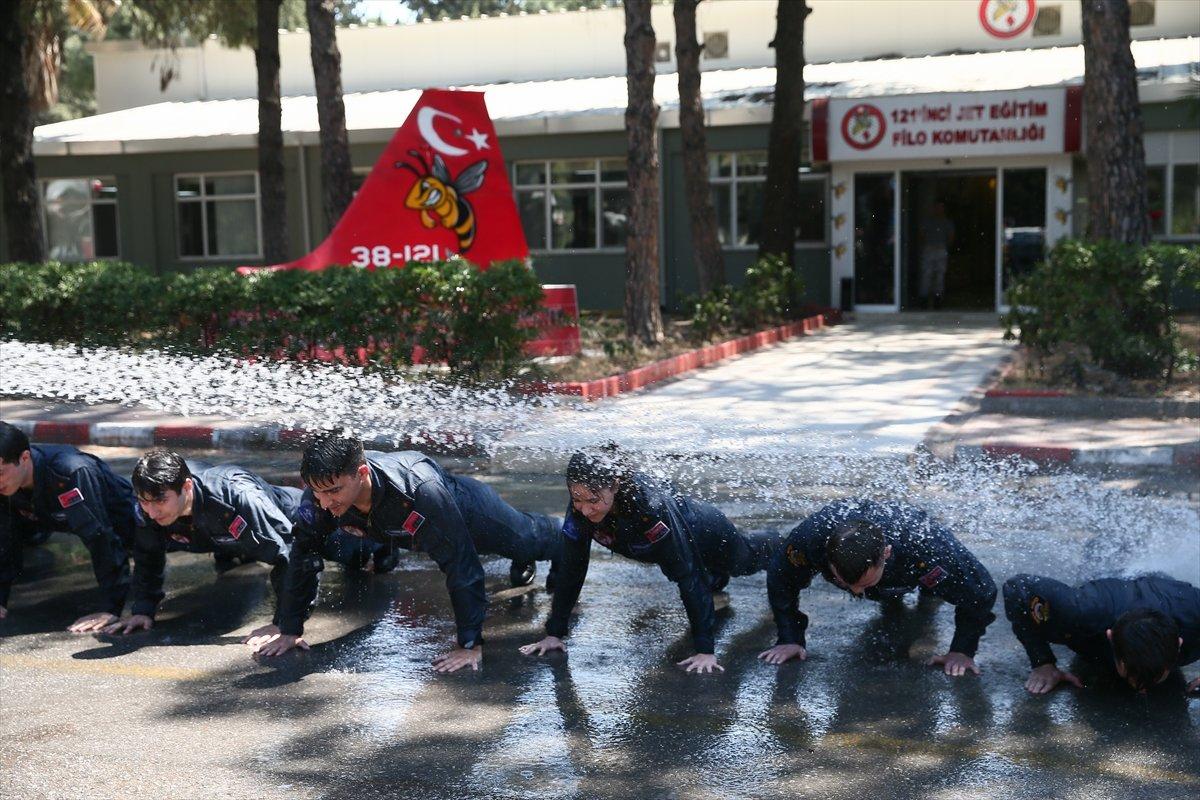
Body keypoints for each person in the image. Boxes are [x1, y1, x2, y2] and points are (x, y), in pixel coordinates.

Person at [258, 435, 562, 672]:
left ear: (361, 473)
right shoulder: (323, 495)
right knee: (313, 537)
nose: (323, 503)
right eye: (316, 491)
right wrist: (289, 628)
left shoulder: (419, 489)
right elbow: (302, 553)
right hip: (408, 531)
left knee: (526, 540)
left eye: (333, 491)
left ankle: (565, 535)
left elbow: (460, 564)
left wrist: (469, 644)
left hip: (471, 514)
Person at [520, 445, 779, 674]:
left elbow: (688, 574)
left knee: (744, 562)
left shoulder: (649, 508)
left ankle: (778, 543)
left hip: (707, 532)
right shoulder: (581, 506)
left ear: (615, 485)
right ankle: (718, 577)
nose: (585, 509)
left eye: (593, 500)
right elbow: (572, 568)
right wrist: (554, 632)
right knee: (703, 575)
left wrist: (705, 649)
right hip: (664, 549)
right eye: (577, 499)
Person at [761, 498, 996, 676]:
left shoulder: (927, 546)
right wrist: (789, 637)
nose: (856, 593)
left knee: (936, 588)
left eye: (863, 584)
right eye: (845, 584)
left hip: (910, 564)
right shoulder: (812, 539)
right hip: (873, 556)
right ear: (828, 558)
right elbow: (781, 577)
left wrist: (962, 650)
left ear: (886, 554)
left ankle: (926, 591)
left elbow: (981, 593)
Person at [102, 450, 307, 648]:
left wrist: (285, 625)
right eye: (144, 501)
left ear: (187, 486)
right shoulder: (150, 508)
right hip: (225, 539)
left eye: (160, 500)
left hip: (302, 520)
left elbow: (288, 553)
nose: (152, 512)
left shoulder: (236, 494)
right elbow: (148, 554)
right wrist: (143, 610)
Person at [0, 420, 133, 632]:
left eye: (0, 473)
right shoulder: (9, 480)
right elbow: (4, 539)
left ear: (24, 458)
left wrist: (111, 608)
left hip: (129, 523)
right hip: (48, 516)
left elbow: (101, 538)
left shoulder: (71, 472)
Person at [1002, 573, 1200, 695]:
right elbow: (1016, 587)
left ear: (1179, 643)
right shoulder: (1077, 612)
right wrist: (1042, 661)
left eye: (1157, 674)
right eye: (1131, 674)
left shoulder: (1194, 620)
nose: (1142, 690)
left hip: (1166, 589)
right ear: (1110, 637)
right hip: (1108, 580)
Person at [919, 199, 954, 308]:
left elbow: (951, 236)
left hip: (941, 249)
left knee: (940, 275)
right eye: (937, 207)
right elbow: (921, 234)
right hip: (929, 248)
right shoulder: (928, 221)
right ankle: (924, 299)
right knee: (927, 274)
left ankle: (938, 300)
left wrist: (944, 246)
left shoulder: (946, 222)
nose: (939, 210)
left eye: (941, 207)